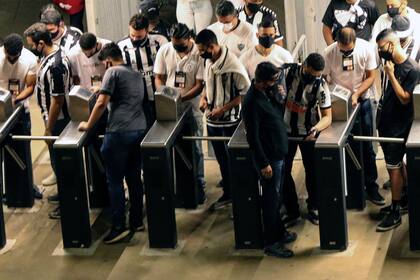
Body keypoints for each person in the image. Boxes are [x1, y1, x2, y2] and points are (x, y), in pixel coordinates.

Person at [78, 42, 147, 244]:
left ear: (108, 61)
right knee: (134, 177)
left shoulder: (112, 73)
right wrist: (101, 88)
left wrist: (88, 125)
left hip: (118, 131)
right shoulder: (135, 73)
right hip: (139, 129)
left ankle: (118, 226)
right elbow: (126, 95)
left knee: (115, 181)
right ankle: (136, 220)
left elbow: (101, 103)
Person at [324, 27, 385, 206]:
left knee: (367, 146)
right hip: (338, 101)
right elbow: (325, 78)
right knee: (341, 146)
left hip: (362, 100)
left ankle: (371, 186)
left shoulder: (366, 49)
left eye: (349, 50)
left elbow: (371, 76)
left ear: (355, 42)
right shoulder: (329, 52)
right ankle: (344, 189)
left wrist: (357, 94)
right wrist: (334, 95)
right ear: (337, 43)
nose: (346, 53)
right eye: (343, 50)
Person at [242, 62, 296, 258]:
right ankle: (272, 242)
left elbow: (275, 115)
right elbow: (253, 138)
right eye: (273, 80)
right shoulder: (252, 102)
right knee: (271, 200)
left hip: (278, 154)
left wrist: (279, 97)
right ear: (263, 82)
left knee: (277, 197)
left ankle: (280, 232)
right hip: (269, 159)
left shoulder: (266, 94)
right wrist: (263, 163)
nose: (276, 82)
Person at [196, 29, 250, 210]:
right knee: (221, 161)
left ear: (212, 46)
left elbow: (245, 93)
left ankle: (240, 196)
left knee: (233, 162)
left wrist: (223, 109)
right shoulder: (209, 62)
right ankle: (228, 193)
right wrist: (203, 98)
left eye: (203, 50)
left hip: (230, 122)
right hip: (213, 122)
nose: (201, 54)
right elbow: (206, 84)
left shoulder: (233, 65)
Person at [154, 23, 206, 202]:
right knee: (171, 145)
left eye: (181, 45)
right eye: (174, 43)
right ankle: (174, 184)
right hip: (169, 105)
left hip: (191, 105)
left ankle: (199, 182)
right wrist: (164, 95)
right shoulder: (165, 50)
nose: (177, 47)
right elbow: (159, 77)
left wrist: (180, 99)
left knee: (196, 147)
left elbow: (200, 84)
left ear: (189, 39)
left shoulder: (198, 54)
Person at [24, 22, 71, 219]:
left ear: (41, 43)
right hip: (51, 119)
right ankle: (64, 196)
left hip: (58, 121)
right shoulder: (48, 57)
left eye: (32, 45)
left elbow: (57, 100)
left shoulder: (56, 65)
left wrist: (48, 128)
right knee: (57, 163)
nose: (31, 48)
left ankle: (69, 202)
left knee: (62, 164)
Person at [375, 29, 420, 231]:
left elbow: (404, 98)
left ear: (391, 45)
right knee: (394, 166)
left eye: (381, 47)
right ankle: (402, 200)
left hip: (398, 126)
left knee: (393, 168)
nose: (379, 51)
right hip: (386, 123)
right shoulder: (389, 64)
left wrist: (391, 75)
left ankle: (395, 211)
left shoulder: (412, 69)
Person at [281, 53, 332, 227]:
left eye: (317, 75)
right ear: (304, 66)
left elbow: (327, 117)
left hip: (307, 133)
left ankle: (314, 206)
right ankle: (291, 210)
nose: (314, 78)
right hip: (286, 132)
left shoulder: (321, 85)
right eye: (311, 74)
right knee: (283, 171)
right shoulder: (287, 73)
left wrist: (316, 129)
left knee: (312, 170)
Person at [0, 34, 42, 200]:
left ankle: (28, 186)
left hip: (19, 109)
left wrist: (15, 99)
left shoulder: (30, 59)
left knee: (23, 149)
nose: (11, 58)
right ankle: (3, 189)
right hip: (0, 110)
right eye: (8, 55)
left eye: (14, 56)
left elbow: (30, 86)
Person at [117, 13, 168, 128]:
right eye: (132, 35)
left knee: (163, 128)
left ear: (147, 30)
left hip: (159, 96)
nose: (135, 39)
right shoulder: (121, 46)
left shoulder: (160, 41)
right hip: (136, 100)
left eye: (139, 37)